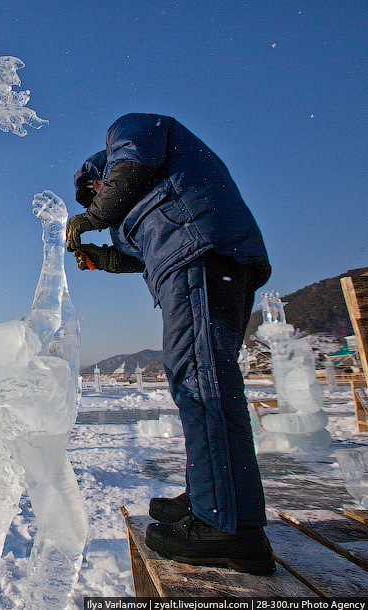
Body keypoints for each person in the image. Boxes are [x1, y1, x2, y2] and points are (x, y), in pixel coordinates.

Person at [67, 113, 275, 575]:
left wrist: (91, 218)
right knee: (207, 384)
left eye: (96, 192)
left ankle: (224, 527)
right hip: (208, 260)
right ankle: (213, 497)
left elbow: (133, 161)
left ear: (100, 173)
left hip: (200, 258)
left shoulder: (130, 134)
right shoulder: (158, 195)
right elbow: (143, 255)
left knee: (201, 385)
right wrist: (106, 258)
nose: (100, 202)